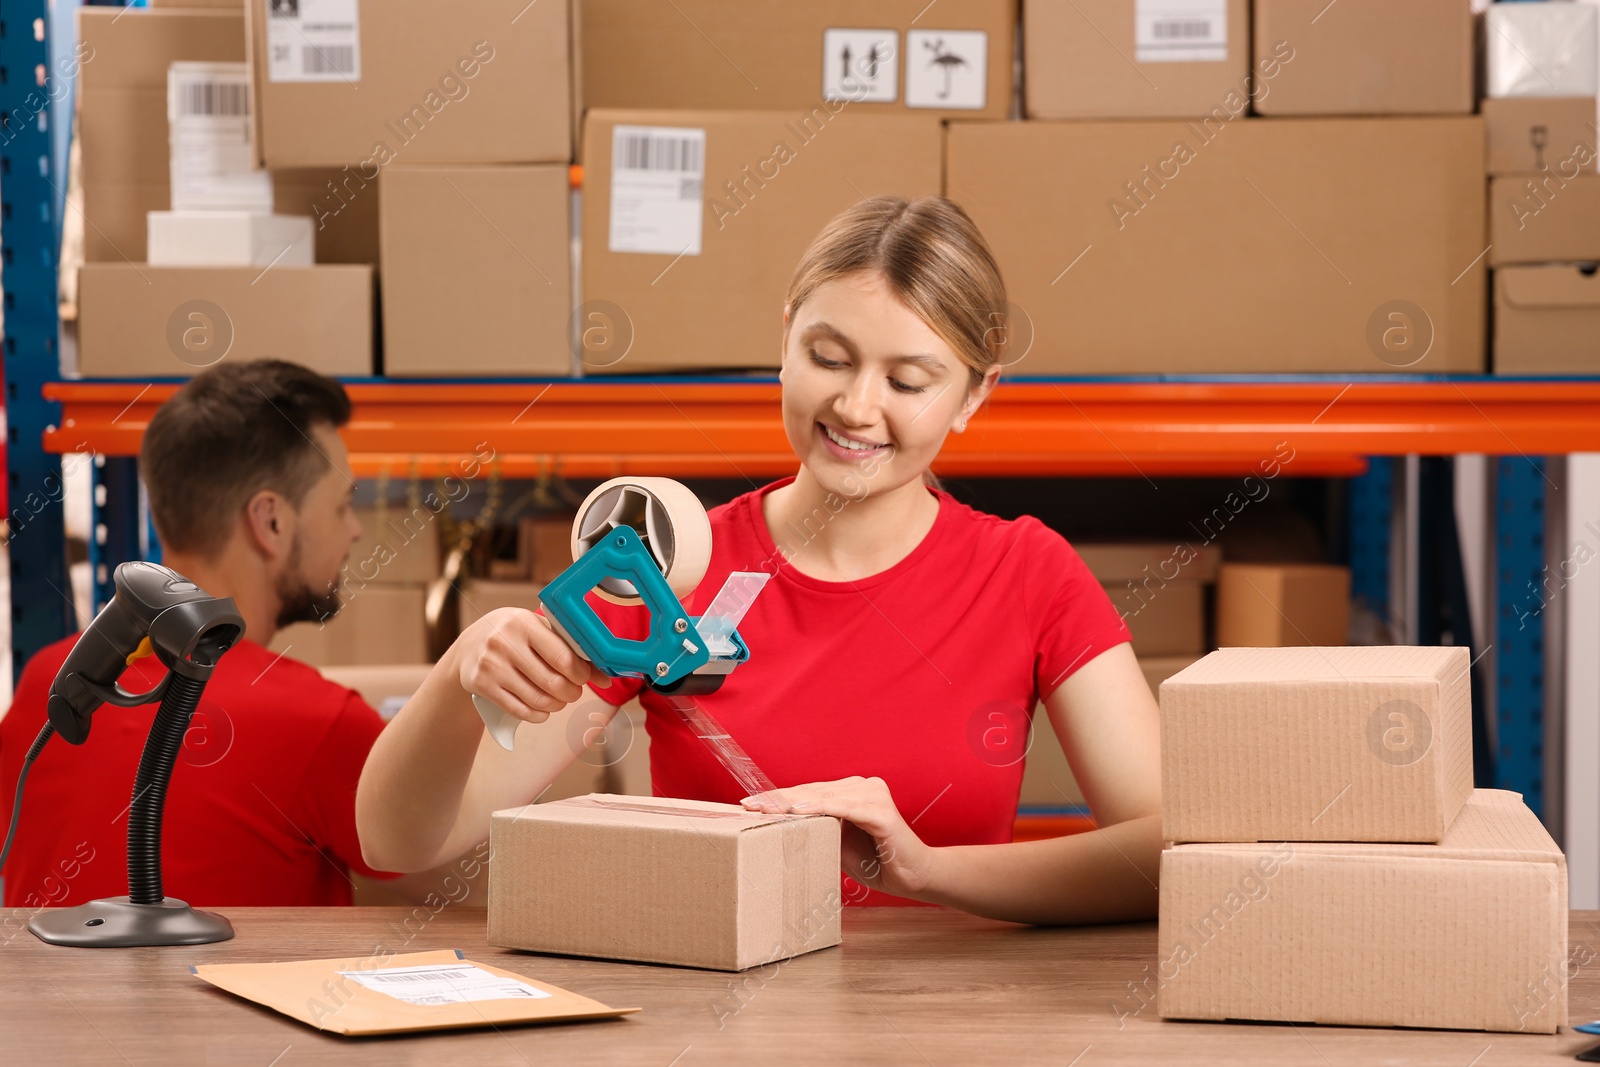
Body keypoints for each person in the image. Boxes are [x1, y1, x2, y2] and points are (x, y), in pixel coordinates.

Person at [357, 197, 1162, 925]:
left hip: (944, 1022)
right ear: (785, 340)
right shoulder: (667, 562)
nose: (856, 407)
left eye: (909, 380)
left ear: (976, 396)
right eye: (831, 357)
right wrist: (464, 671)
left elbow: (1167, 852)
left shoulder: (1026, 573)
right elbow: (397, 840)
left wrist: (929, 872)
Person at [0, 359, 405, 908]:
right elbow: (441, 860)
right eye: (342, 505)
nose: (355, 530)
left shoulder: (52, 679)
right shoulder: (321, 722)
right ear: (271, 522)